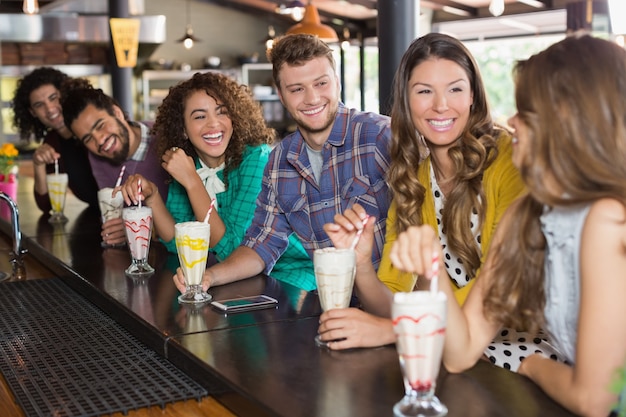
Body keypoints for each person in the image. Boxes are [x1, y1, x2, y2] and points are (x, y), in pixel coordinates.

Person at [390, 34, 626, 417]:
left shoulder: (607, 217)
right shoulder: (528, 214)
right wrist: (432, 263)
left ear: (568, 121)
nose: (512, 121)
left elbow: (593, 399)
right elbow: (461, 353)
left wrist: (528, 363)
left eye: (526, 112)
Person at [318, 33, 536, 367]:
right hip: (447, 349)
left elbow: (498, 293)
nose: (440, 105)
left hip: (519, 349)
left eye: (455, 89)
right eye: (424, 91)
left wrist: (395, 330)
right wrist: (360, 263)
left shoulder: (508, 159)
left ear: (474, 96)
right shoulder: (414, 177)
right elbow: (391, 299)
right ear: (406, 102)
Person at [174, 33, 392, 292]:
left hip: (396, 306)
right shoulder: (280, 162)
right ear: (281, 94)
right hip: (330, 304)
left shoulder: (380, 136)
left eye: (321, 83)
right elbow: (261, 245)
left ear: (337, 82)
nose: (312, 98)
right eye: (297, 89)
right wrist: (209, 277)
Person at [118, 71, 284, 266]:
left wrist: (192, 181)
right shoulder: (188, 164)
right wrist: (153, 197)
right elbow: (176, 243)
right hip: (232, 279)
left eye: (222, 111)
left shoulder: (257, 159)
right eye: (199, 116)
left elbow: (232, 250)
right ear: (183, 129)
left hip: (284, 273)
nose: (214, 123)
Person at [61, 86, 169, 247]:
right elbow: (117, 214)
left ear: (117, 113)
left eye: (100, 126)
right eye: (88, 139)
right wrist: (121, 228)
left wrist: (139, 227)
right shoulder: (97, 157)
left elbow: (188, 216)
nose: (99, 141)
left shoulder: (166, 138)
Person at [11, 67, 99, 212]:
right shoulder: (52, 143)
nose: (50, 109)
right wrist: (38, 164)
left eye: (53, 98)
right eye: (39, 105)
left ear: (64, 95)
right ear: (33, 112)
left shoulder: (93, 125)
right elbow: (46, 205)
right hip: (96, 215)